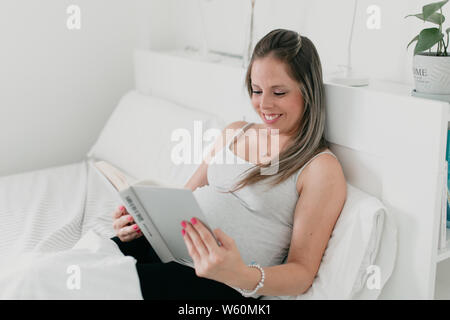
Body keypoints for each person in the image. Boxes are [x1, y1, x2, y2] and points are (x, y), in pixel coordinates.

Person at [111, 28, 347, 300]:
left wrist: (241, 274)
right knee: (78, 270)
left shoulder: (319, 168)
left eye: (279, 92)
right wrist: (140, 222)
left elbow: (302, 273)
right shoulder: (236, 131)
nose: (264, 104)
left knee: (100, 285)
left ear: (309, 92)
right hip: (164, 250)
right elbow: (182, 198)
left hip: (212, 283)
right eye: (256, 90)